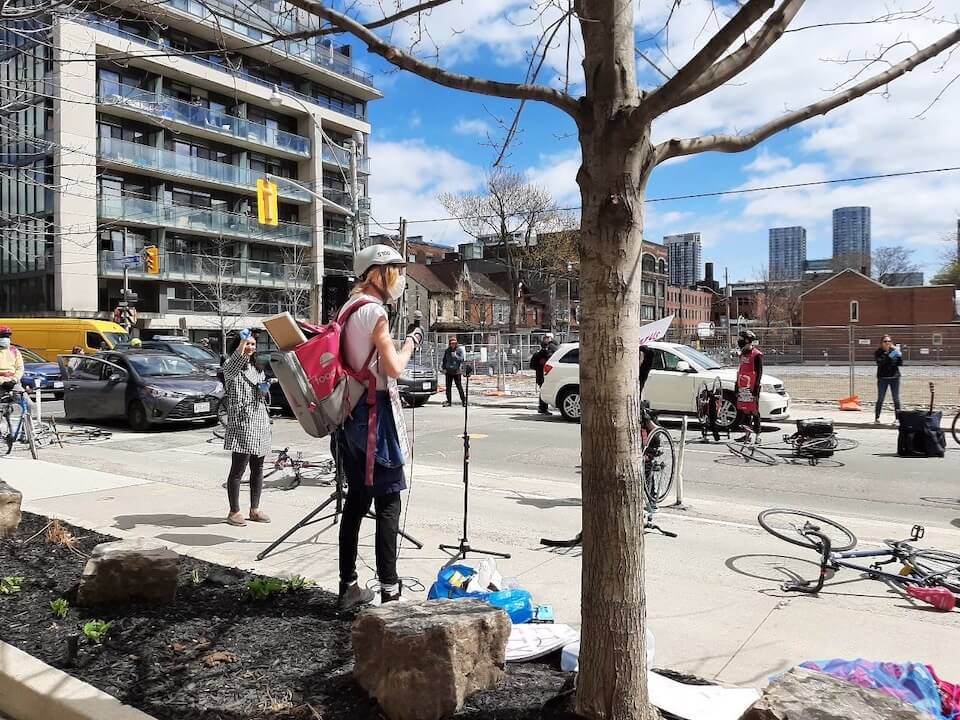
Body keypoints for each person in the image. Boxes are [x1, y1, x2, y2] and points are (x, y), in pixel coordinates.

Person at [336, 244, 422, 612]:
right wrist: (411, 343)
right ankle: (390, 591)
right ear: (378, 273)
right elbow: (394, 368)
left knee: (355, 501)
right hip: (376, 416)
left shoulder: (347, 309)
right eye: (396, 270)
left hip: (349, 413)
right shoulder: (375, 313)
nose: (400, 278)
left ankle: (348, 585)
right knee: (388, 503)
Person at [221, 329, 272, 527]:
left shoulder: (256, 368)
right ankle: (234, 511)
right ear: (238, 345)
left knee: (258, 468)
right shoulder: (230, 366)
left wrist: (264, 389)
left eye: (252, 344)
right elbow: (236, 361)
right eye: (246, 343)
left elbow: (259, 391)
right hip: (242, 421)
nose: (250, 347)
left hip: (259, 419)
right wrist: (242, 341)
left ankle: (255, 509)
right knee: (238, 469)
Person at [734, 329, 763, 443]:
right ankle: (747, 434)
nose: (739, 342)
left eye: (742, 340)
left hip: (752, 387)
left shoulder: (757, 355)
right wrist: (736, 385)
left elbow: (759, 372)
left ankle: (758, 435)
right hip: (743, 386)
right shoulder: (742, 354)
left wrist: (756, 387)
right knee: (745, 410)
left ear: (748, 341)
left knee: (754, 411)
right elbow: (740, 369)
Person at [874, 335, 902, 424]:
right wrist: (889, 355)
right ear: (881, 343)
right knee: (880, 398)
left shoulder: (894, 351)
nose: (887, 343)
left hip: (894, 377)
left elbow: (900, 363)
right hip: (883, 378)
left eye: (889, 341)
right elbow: (880, 362)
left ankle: (897, 418)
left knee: (896, 399)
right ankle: (877, 418)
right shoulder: (878, 352)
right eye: (885, 341)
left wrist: (898, 354)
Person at [529, 333, 559, 415]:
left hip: (546, 375)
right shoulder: (544, 353)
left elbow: (532, 365)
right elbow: (533, 365)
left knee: (545, 391)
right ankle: (543, 408)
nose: (546, 339)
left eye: (548, 338)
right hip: (544, 375)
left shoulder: (552, 349)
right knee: (544, 391)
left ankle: (543, 408)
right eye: (545, 338)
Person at [441, 336, 466, 407]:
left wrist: (456, 356)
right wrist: (444, 368)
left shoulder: (459, 350)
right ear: (450, 344)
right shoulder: (447, 350)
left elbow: (462, 359)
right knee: (448, 387)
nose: (453, 345)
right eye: (452, 343)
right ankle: (449, 401)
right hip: (448, 371)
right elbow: (444, 360)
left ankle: (464, 401)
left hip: (456, 371)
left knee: (459, 387)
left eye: (454, 343)